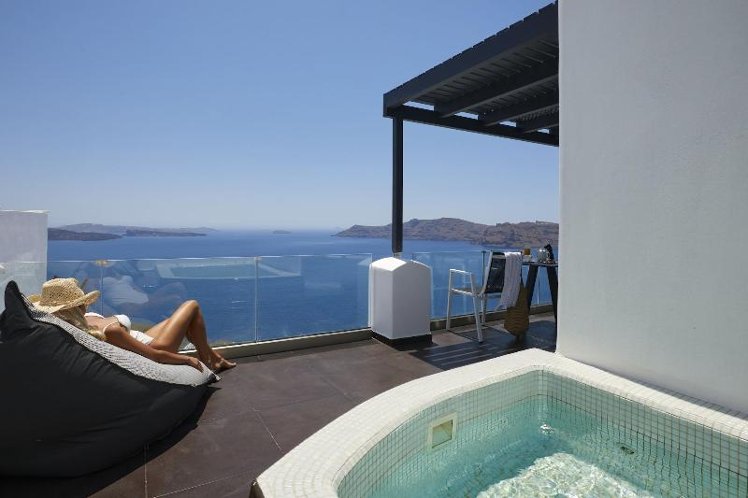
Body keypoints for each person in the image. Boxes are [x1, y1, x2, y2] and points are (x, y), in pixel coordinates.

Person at [29, 278, 236, 373]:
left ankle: (214, 357)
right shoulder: (109, 331)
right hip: (156, 347)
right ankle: (208, 359)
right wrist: (188, 359)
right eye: (83, 302)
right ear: (78, 306)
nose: (86, 305)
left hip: (142, 337)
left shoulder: (74, 325)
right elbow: (155, 356)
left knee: (182, 318)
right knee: (191, 306)